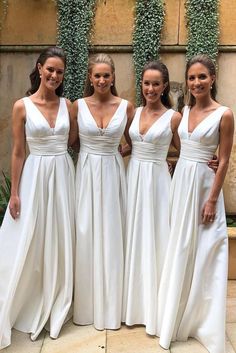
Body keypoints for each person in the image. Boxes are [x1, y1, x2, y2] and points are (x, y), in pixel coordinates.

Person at [158, 54, 234, 353]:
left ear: (212, 79)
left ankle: (202, 320)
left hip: (205, 188)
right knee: (180, 246)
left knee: (206, 252)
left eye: (202, 76)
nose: (197, 82)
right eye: (192, 77)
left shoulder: (224, 114)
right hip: (181, 186)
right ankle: (175, 315)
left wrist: (213, 199)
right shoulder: (184, 110)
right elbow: (178, 146)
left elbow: (225, 158)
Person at [0, 47, 75, 349]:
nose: (55, 76)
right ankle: (29, 297)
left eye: (60, 72)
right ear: (40, 68)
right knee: (31, 236)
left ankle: (57, 293)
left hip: (62, 174)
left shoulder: (69, 106)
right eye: (50, 70)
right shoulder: (22, 106)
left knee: (59, 235)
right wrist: (15, 192)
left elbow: (75, 140)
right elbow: (19, 152)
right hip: (34, 176)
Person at [70, 53, 134, 330]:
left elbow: (136, 142)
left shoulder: (127, 107)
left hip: (112, 173)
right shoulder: (77, 106)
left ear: (113, 77)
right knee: (86, 233)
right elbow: (70, 141)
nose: (101, 80)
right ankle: (86, 305)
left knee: (112, 234)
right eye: (97, 75)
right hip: (86, 174)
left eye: (106, 75)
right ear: (90, 78)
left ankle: (113, 304)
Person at [122, 61, 181, 335]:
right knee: (132, 236)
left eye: (156, 83)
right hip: (132, 178)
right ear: (141, 85)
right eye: (146, 83)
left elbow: (187, 150)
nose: (151, 88)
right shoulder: (132, 113)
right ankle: (131, 306)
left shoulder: (173, 117)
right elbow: (128, 145)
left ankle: (154, 306)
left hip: (158, 183)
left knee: (156, 238)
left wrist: (172, 163)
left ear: (165, 86)